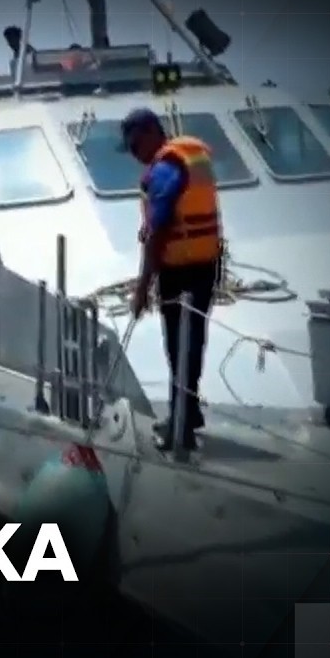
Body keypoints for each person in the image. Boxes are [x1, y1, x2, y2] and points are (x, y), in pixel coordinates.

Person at [123, 108, 222, 452]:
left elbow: (158, 232)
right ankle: (188, 414)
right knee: (191, 344)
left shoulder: (165, 169)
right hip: (205, 266)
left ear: (152, 132)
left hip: (181, 274)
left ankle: (181, 430)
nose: (134, 154)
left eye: (135, 145)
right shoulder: (190, 157)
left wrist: (142, 289)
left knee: (180, 348)